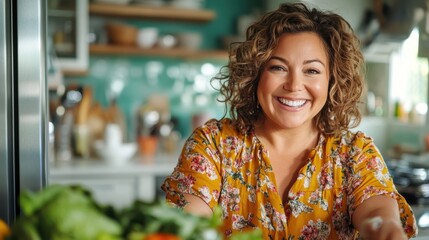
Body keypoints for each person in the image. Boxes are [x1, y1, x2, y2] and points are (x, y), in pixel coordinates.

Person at [162, 2, 417, 239]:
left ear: (332, 81)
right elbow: (188, 224)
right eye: (278, 67)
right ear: (255, 74)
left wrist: (386, 229)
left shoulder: (354, 155)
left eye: (312, 71)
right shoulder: (213, 145)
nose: (294, 85)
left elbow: (378, 215)